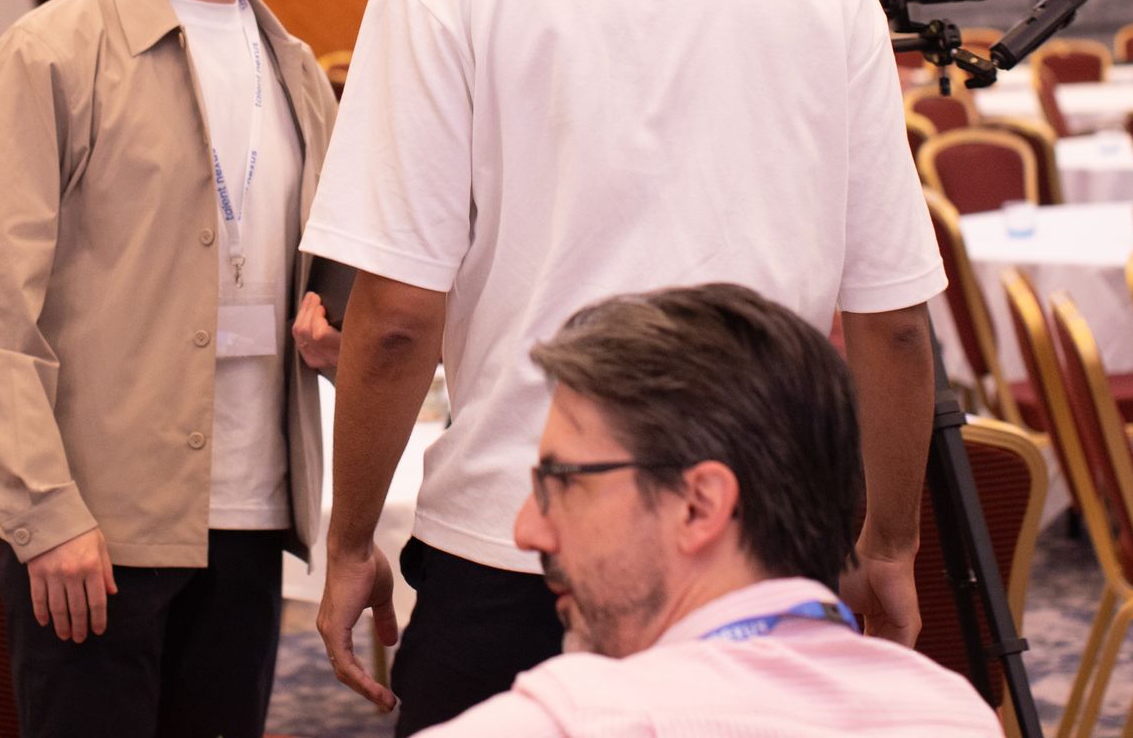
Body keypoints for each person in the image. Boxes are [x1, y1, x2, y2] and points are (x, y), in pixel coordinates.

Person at [304, 0, 944, 731]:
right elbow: (891, 317)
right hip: (752, 542)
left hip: (516, 535)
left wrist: (351, 535)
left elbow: (398, 312)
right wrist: (889, 540)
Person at [0, 0, 341, 738]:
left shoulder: (295, 69)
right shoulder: (53, 53)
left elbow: (317, 280)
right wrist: (47, 513)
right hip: (101, 525)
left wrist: (335, 318)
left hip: (251, 511)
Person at [425, 284, 1000, 736]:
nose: (527, 530)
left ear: (700, 506)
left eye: (563, 483)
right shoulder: (956, 716)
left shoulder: (569, 722)